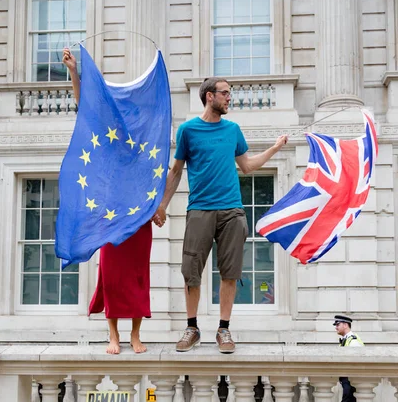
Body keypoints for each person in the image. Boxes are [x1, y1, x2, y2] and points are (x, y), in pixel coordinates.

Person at [153, 77, 288, 353]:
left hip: (231, 209)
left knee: (230, 272)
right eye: (225, 93)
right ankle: (192, 328)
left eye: (230, 94)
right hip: (200, 209)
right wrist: (162, 205)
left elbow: (247, 166)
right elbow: (176, 171)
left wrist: (275, 148)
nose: (230, 98)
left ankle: (223, 330)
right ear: (209, 96)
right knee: (191, 272)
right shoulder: (188, 131)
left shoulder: (233, 130)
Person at [62, 48, 158, 355]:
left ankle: (135, 334)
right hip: (110, 217)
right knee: (113, 276)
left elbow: (152, 180)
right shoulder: (106, 138)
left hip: (138, 220)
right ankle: (113, 335)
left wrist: (156, 209)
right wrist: (74, 72)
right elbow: (85, 107)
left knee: (139, 276)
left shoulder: (144, 144)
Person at [333, 314, 364, 402]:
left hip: (351, 380)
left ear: (345, 325)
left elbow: (355, 362)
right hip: (348, 379)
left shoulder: (353, 341)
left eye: (338, 324)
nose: (336, 327)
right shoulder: (346, 340)